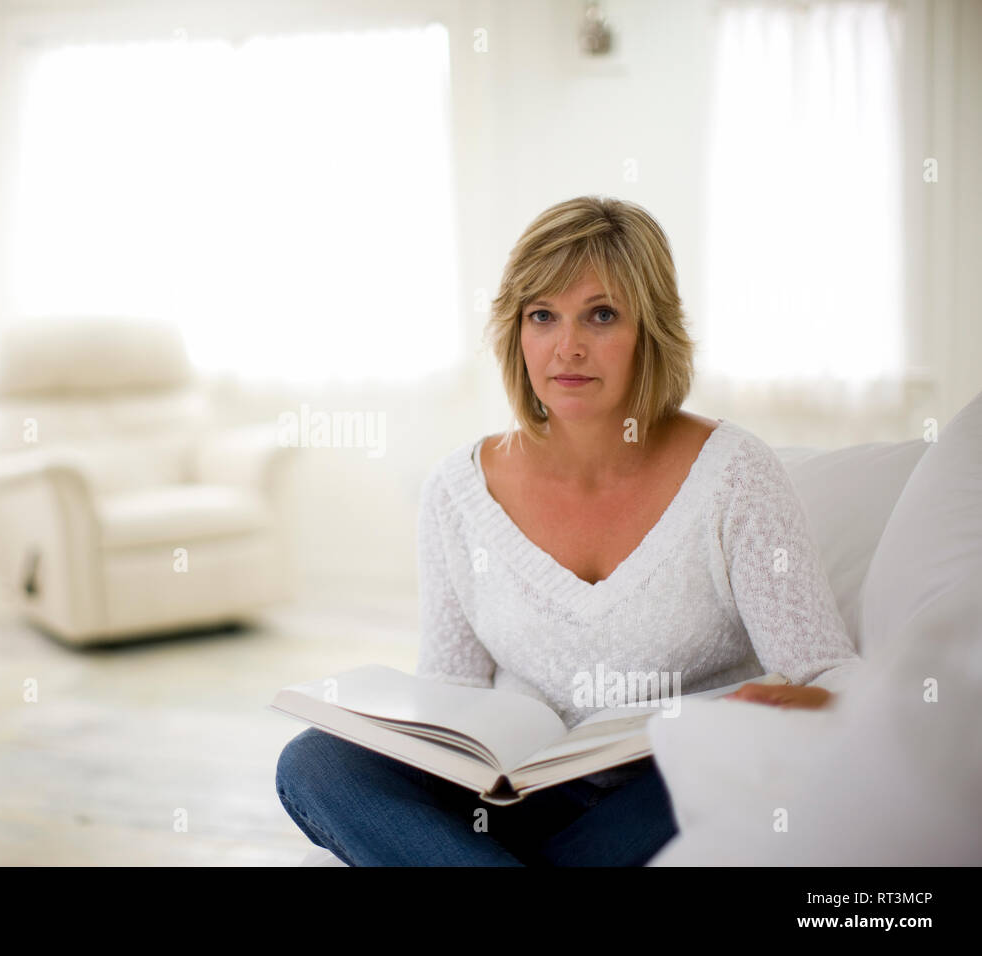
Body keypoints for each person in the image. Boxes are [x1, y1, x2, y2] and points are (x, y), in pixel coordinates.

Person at [275, 196, 861, 866]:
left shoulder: (734, 474)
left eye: (602, 315)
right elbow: (452, 696)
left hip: (665, 786)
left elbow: (828, 673)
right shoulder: (458, 491)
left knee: (714, 784)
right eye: (543, 316)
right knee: (316, 765)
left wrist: (792, 703)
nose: (568, 347)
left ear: (650, 329)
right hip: (519, 799)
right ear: (516, 331)